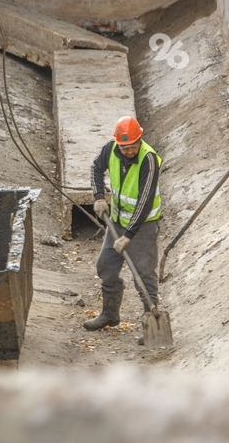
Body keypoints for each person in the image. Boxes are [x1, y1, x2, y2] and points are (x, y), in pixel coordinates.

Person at [85, 115, 161, 339]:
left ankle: (152, 326)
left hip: (143, 226)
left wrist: (128, 235)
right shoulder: (110, 150)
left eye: (133, 146)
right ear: (118, 143)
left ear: (140, 139)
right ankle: (110, 314)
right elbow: (95, 168)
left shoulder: (149, 159)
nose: (129, 151)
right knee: (105, 265)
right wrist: (99, 196)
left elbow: (145, 201)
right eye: (125, 147)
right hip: (117, 221)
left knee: (143, 274)